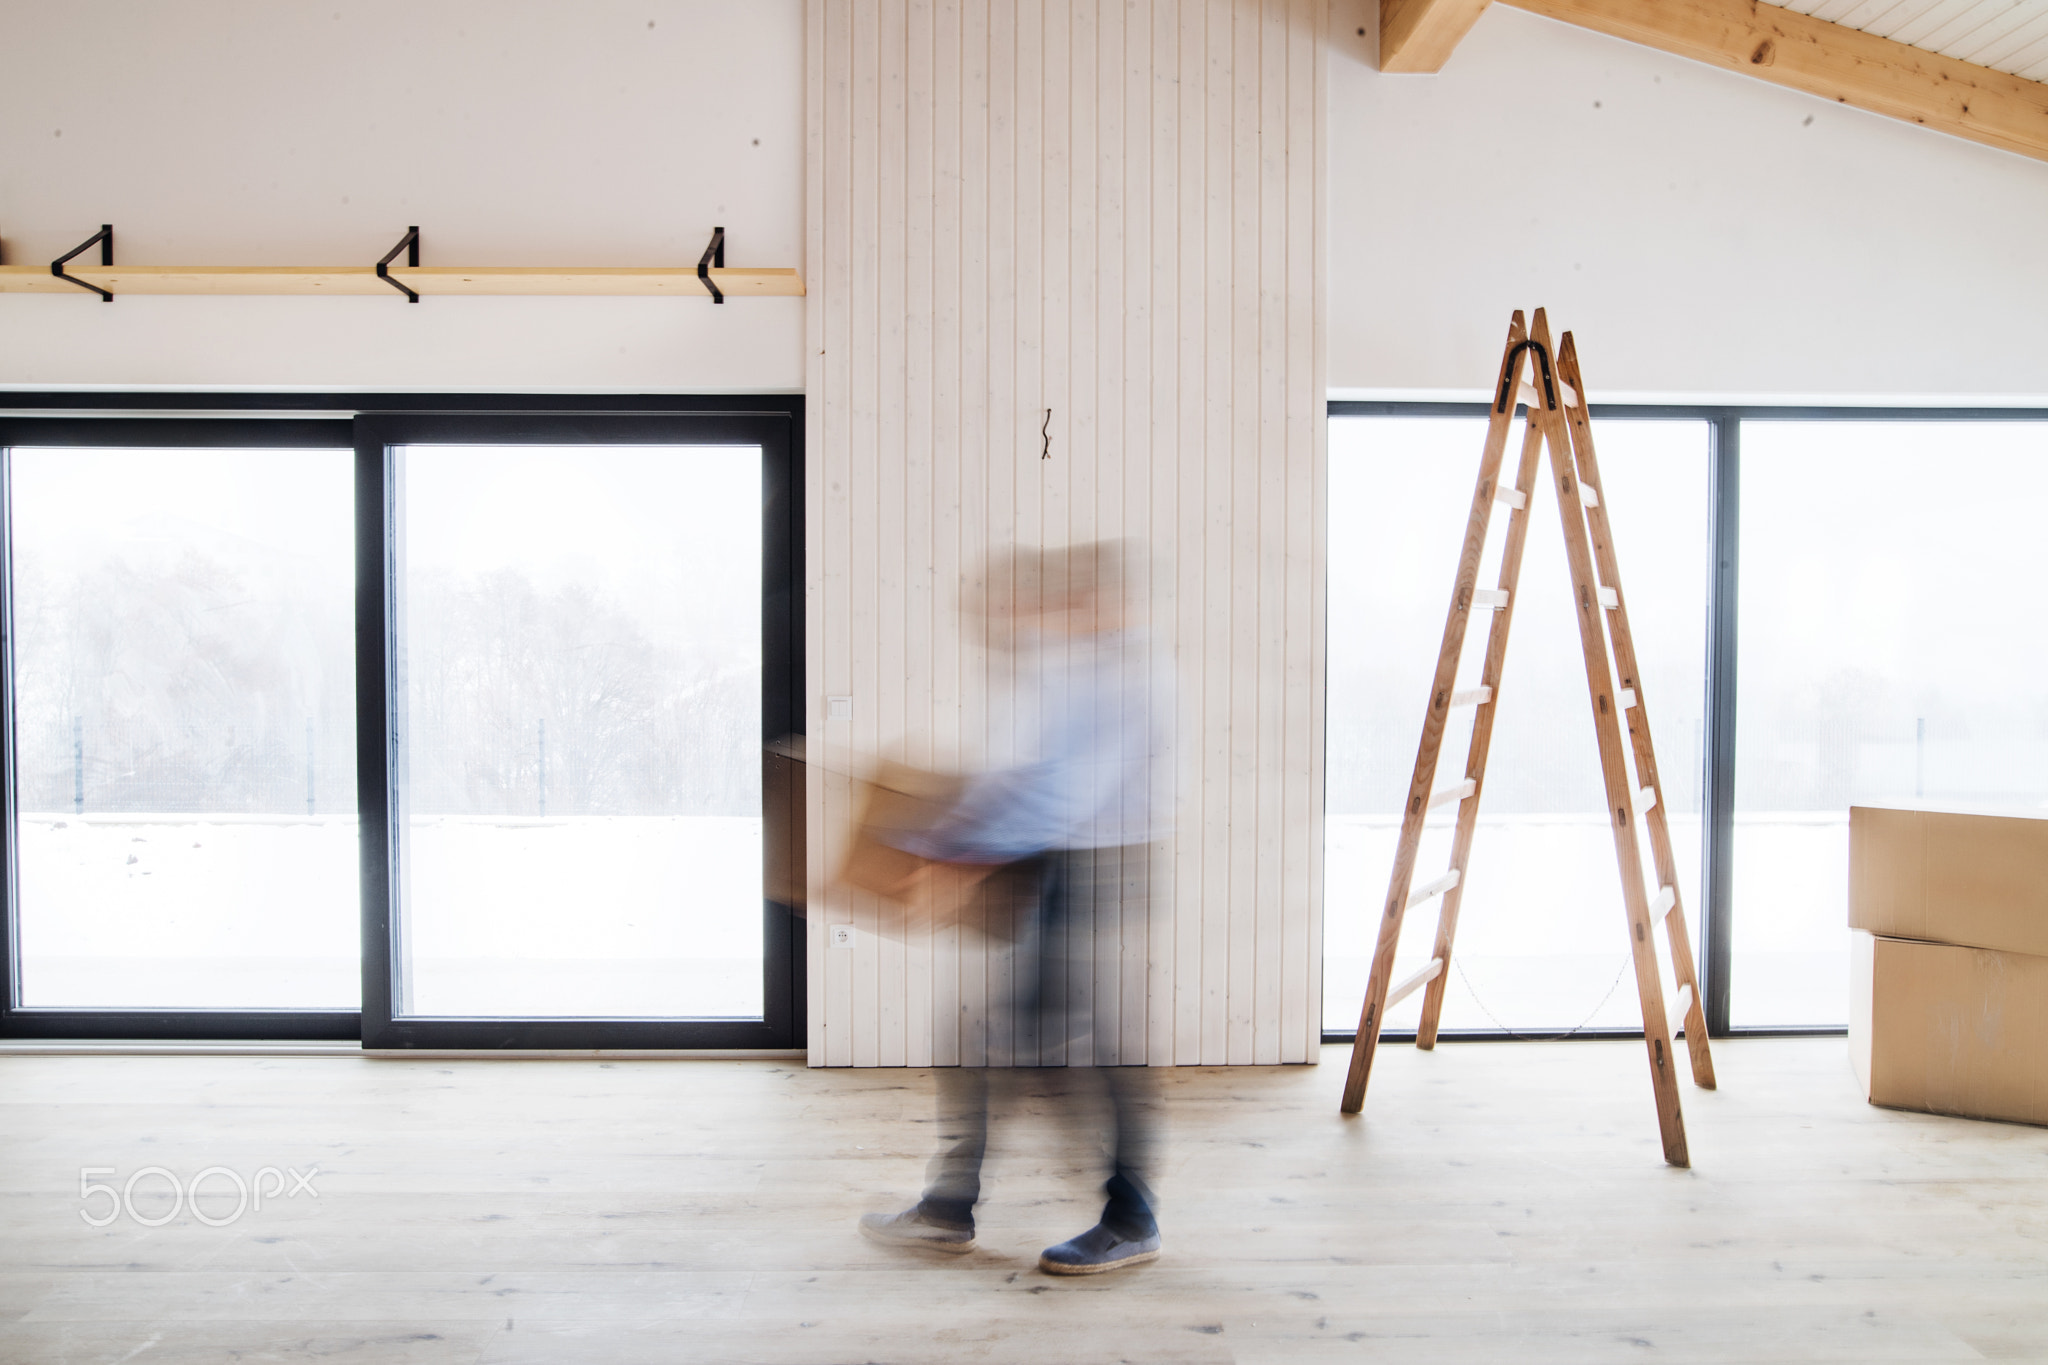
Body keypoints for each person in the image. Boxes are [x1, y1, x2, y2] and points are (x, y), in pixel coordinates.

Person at [857, 540, 1172, 1275]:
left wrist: (958, 855)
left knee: (1097, 1054)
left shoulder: (1126, 674)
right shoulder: (1061, 670)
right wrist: (936, 834)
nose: (1017, 620)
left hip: (1103, 868)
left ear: (1106, 599)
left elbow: (1066, 791)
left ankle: (1129, 1216)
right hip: (1053, 867)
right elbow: (1019, 779)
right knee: (999, 1038)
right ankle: (952, 1202)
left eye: (1067, 599)